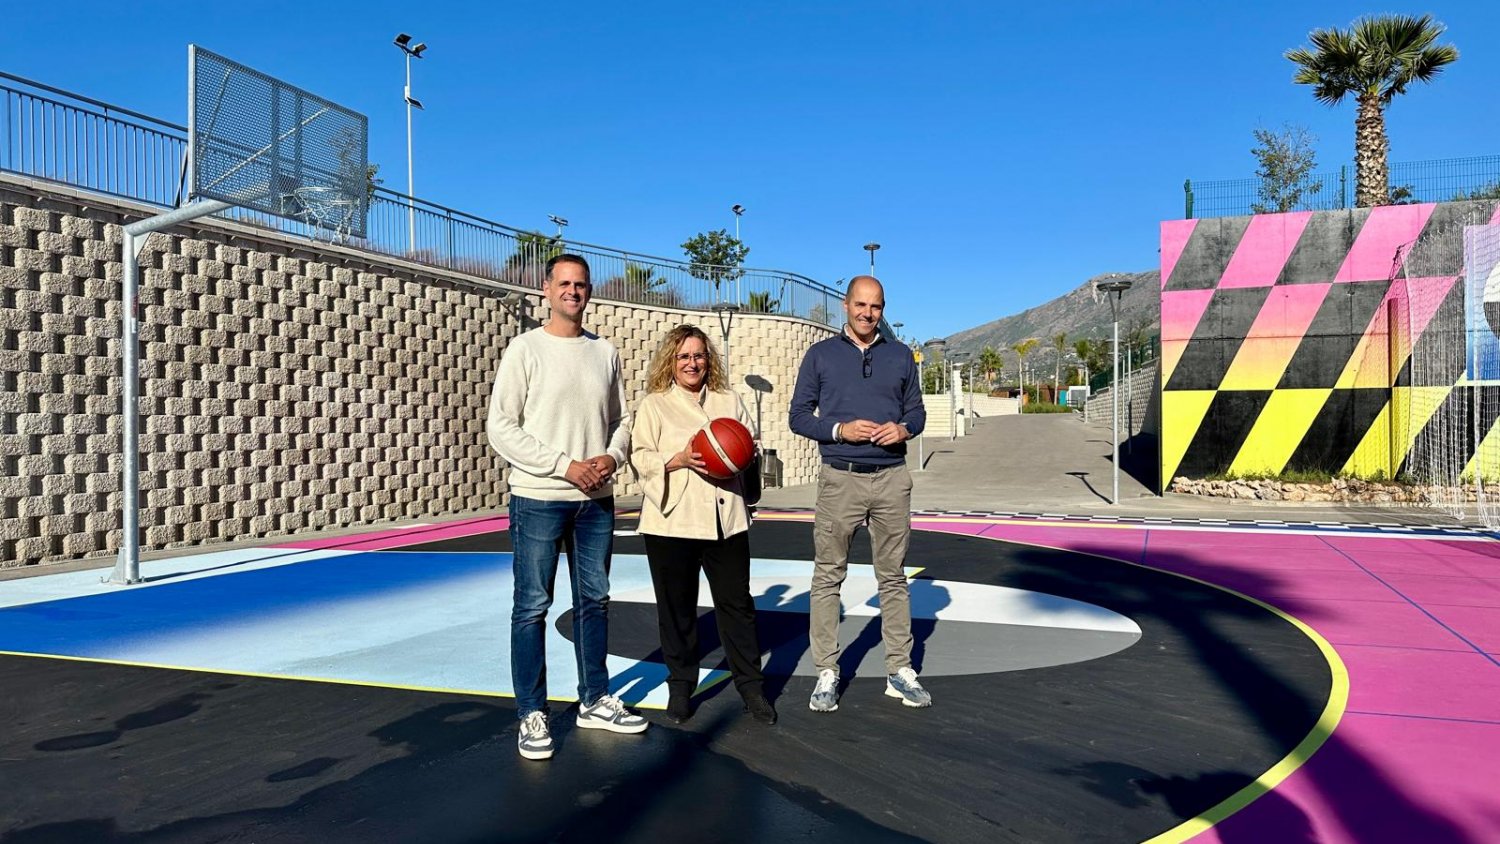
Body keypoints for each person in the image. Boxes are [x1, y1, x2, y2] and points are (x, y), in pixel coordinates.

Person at [486, 253, 646, 761]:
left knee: (594, 601)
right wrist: (564, 465)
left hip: (596, 501)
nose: (572, 292)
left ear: (589, 292)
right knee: (532, 606)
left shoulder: (606, 352)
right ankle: (532, 712)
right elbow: (500, 427)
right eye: (564, 283)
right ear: (546, 289)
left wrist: (610, 456)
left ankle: (594, 698)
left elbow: (623, 420)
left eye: (580, 285)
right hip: (539, 499)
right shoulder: (525, 349)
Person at [789, 275, 930, 712]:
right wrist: (838, 430)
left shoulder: (902, 356)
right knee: (828, 575)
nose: (868, 313)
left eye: (876, 307)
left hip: (891, 479)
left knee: (892, 576)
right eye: (861, 305)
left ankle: (899, 670)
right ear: (846, 306)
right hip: (840, 479)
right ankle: (827, 671)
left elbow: (918, 412)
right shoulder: (820, 356)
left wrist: (904, 428)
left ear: (883, 309)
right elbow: (798, 416)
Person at [630, 325, 777, 726]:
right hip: (671, 520)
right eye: (683, 357)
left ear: (707, 359)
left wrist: (741, 458)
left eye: (698, 355)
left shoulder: (729, 400)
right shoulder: (655, 405)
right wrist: (676, 460)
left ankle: (751, 688)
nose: (692, 363)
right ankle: (680, 687)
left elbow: (750, 445)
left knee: (737, 607)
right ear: (670, 363)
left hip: (725, 519)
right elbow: (639, 456)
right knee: (676, 610)